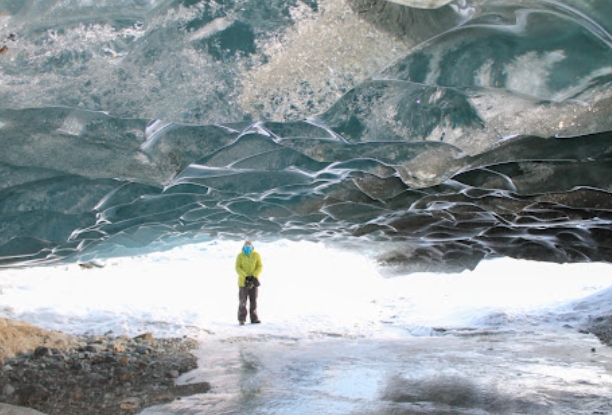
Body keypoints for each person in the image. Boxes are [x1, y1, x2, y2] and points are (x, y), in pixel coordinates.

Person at [235, 241, 263, 325]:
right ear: (243, 246)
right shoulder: (240, 256)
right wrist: (245, 276)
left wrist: (254, 275)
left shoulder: (256, 255)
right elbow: (237, 267)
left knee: (253, 300)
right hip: (243, 282)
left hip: (253, 281)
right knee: (242, 301)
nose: (248, 247)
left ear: (252, 247)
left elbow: (260, 266)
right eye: (246, 246)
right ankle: (242, 319)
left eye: (249, 246)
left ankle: (254, 318)